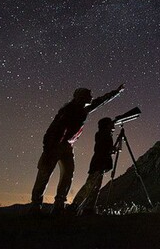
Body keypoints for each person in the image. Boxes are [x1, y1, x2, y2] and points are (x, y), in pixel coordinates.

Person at [29, 84, 124, 215]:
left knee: (68, 174)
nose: (91, 97)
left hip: (67, 147)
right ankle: (35, 206)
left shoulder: (82, 110)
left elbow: (100, 102)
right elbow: (54, 128)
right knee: (45, 174)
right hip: (55, 146)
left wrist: (116, 92)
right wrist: (48, 148)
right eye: (89, 96)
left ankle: (59, 206)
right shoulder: (68, 110)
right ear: (81, 98)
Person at [68, 116, 116, 215]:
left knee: (95, 188)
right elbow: (104, 149)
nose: (113, 125)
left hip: (99, 163)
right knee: (90, 186)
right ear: (106, 126)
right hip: (99, 164)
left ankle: (89, 209)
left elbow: (105, 148)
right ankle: (74, 206)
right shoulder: (104, 135)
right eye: (111, 123)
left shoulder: (103, 134)